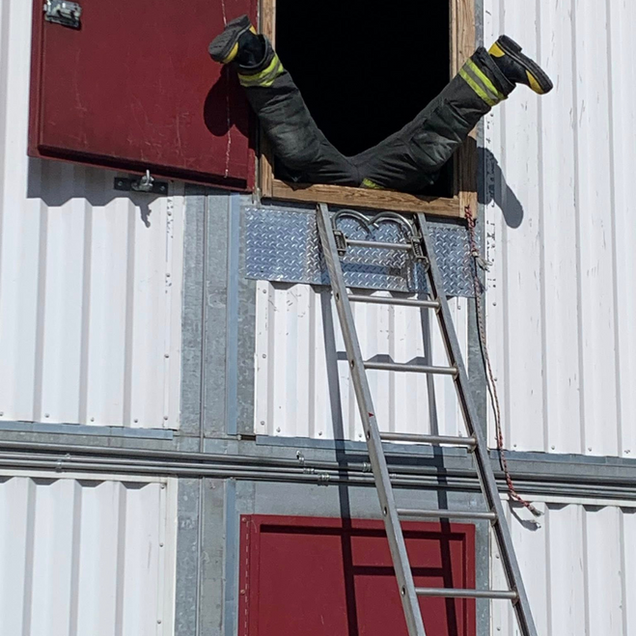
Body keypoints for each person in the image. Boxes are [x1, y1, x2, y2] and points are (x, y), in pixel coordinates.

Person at [208, 16, 553, 193]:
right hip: (351, 176)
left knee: (426, 154)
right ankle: (496, 69)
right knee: (425, 153)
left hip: (361, 176)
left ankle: (496, 68)